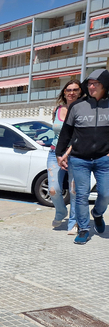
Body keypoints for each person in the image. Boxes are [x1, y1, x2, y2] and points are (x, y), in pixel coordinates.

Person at [56, 69, 109, 245]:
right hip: (79, 159)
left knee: (105, 194)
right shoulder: (77, 106)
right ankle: (84, 229)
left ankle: (98, 214)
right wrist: (59, 153)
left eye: (96, 83)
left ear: (104, 85)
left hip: (104, 159)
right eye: (90, 83)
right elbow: (66, 132)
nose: (91, 86)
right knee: (81, 195)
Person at [49, 80, 81, 235]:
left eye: (75, 90)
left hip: (75, 154)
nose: (71, 92)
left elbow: (81, 136)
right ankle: (61, 212)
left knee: (74, 190)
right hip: (54, 153)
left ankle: (74, 222)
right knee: (53, 189)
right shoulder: (57, 109)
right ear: (64, 92)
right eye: (68, 89)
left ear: (80, 92)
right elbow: (55, 131)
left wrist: (67, 154)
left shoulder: (84, 110)